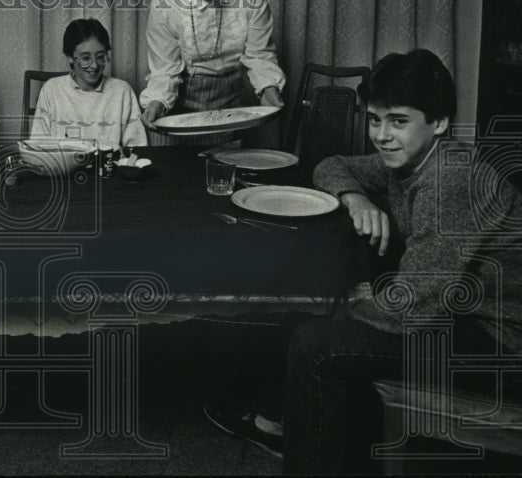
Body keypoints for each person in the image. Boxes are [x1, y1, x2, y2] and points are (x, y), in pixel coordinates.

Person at [204, 49, 522, 473]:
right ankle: (308, 432)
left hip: (499, 342)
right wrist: (355, 199)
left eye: (399, 121)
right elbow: (331, 165)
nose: (382, 135)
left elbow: (413, 307)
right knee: (315, 315)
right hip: (460, 317)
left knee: (315, 342)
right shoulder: (412, 160)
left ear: (440, 122)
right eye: (375, 119)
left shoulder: (452, 179)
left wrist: (345, 299)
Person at [140, 0, 285, 131]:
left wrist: (268, 88)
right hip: (181, 103)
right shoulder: (164, 3)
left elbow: (259, 55)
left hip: (237, 99)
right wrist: (157, 102)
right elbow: (165, 70)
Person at [30, 18, 147, 149]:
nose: (95, 65)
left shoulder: (122, 91)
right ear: (70, 56)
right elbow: (38, 146)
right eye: (86, 58)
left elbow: (138, 148)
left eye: (101, 57)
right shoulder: (52, 90)